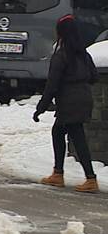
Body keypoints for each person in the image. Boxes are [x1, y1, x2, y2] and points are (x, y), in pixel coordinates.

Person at [34, 15, 100, 193]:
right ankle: (59, 173)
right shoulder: (84, 54)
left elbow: (52, 85)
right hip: (84, 98)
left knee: (76, 137)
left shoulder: (61, 55)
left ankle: (89, 178)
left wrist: (40, 108)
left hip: (69, 102)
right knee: (60, 132)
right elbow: (94, 77)